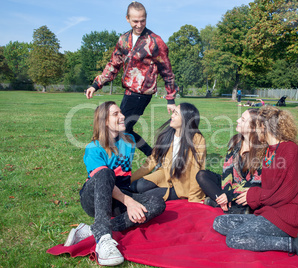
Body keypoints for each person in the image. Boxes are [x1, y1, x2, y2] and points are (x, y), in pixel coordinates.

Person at [213, 106, 298, 266]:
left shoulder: (289, 150)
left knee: (234, 238)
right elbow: (268, 189)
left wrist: (253, 195)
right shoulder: (268, 151)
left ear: (263, 127)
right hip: (274, 210)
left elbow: (285, 192)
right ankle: (275, 234)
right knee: (219, 222)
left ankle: (297, 244)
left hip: (291, 213)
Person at [63, 101, 166, 266]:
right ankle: (103, 239)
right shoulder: (93, 148)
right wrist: (129, 201)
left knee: (157, 203)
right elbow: (104, 179)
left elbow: (144, 161)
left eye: (121, 113)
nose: (123, 116)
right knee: (105, 172)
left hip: (118, 198)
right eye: (116, 114)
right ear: (104, 121)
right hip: (94, 199)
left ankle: (91, 229)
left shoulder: (130, 140)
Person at [85, 2, 178, 157]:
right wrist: (96, 84)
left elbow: (167, 70)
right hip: (129, 91)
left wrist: (170, 99)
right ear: (127, 19)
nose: (139, 24)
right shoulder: (123, 40)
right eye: (135, 21)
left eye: (142, 20)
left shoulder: (155, 41)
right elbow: (114, 64)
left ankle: (150, 156)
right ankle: (151, 155)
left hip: (142, 93)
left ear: (146, 19)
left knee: (123, 129)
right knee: (124, 128)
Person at [130, 103, 206, 202]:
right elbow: (152, 160)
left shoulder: (197, 139)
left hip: (183, 184)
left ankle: (127, 201)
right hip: (165, 175)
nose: (171, 116)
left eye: (176, 113)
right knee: (137, 186)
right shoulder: (168, 134)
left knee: (147, 196)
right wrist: (130, 180)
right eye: (173, 113)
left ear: (186, 119)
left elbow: (196, 170)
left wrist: (194, 198)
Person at [196, 109, 262, 214]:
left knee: (250, 196)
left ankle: (220, 203)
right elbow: (227, 170)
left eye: (243, 120)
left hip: (246, 190)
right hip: (231, 186)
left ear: (253, 128)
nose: (237, 120)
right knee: (202, 175)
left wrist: (230, 195)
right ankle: (226, 205)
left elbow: (255, 182)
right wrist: (226, 193)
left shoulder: (261, 150)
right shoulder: (236, 141)